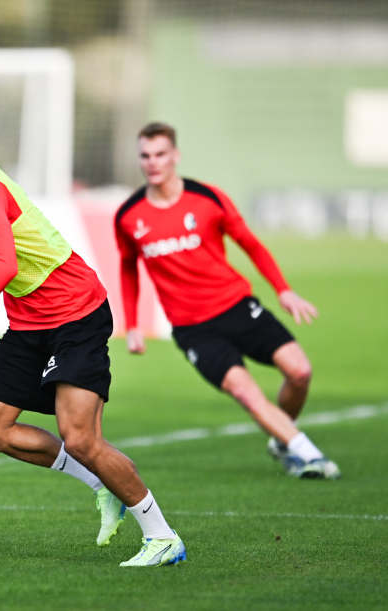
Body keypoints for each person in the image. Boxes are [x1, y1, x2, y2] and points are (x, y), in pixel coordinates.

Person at [0, 97, 186, 567]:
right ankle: (102, 485)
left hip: (75, 312)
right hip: (32, 321)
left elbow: (2, 264)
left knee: (81, 439)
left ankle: (162, 537)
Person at [116, 122, 339, 480]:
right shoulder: (128, 215)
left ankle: (283, 438)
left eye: (160, 154)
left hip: (237, 306)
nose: (153, 162)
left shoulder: (208, 198)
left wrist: (283, 289)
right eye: (145, 155)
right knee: (246, 392)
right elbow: (128, 269)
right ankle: (310, 456)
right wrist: (132, 327)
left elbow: (250, 243)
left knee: (300, 371)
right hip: (194, 328)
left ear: (176, 156)